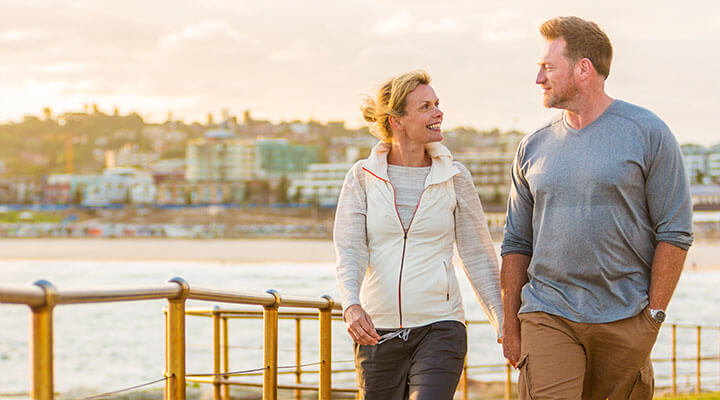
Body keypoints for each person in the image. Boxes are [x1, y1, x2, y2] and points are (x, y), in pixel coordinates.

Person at [501, 16, 693, 399]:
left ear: (584, 69)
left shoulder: (648, 133)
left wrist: (653, 317)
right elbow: (516, 242)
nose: (539, 79)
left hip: (625, 318)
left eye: (548, 67)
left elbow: (675, 231)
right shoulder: (532, 146)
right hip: (547, 311)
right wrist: (510, 325)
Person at [334, 69, 503, 400]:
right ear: (397, 120)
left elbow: (478, 255)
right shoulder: (362, 177)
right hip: (377, 333)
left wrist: (502, 323)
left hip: (440, 326)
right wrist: (351, 305)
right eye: (426, 106)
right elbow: (350, 249)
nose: (439, 113)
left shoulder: (455, 176)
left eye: (437, 104)